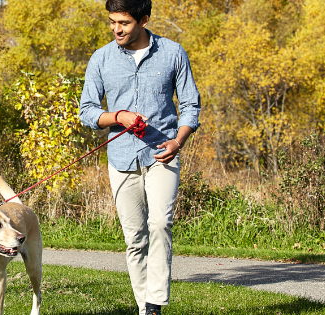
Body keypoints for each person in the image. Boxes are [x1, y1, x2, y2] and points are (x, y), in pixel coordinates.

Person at [78, 0, 201, 314]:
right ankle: (144, 308)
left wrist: (179, 141)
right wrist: (118, 115)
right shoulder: (101, 58)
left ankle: (155, 303)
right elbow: (87, 111)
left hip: (162, 152)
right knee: (135, 238)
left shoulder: (174, 53)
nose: (117, 29)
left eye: (124, 23)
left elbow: (191, 106)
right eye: (112, 22)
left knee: (160, 222)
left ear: (144, 19)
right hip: (121, 157)